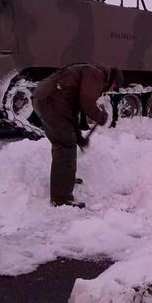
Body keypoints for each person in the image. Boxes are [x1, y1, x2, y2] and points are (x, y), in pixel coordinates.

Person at [32, 63, 124, 208]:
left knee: (65, 141)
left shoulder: (91, 73)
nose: (111, 91)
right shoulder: (97, 75)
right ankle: (61, 198)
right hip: (51, 101)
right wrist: (99, 116)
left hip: (49, 99)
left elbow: (72, 111)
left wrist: (78, 137)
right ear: (113, 81)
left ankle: (65, 180)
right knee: (65, 146)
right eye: (114, 88)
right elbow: (86, 100)